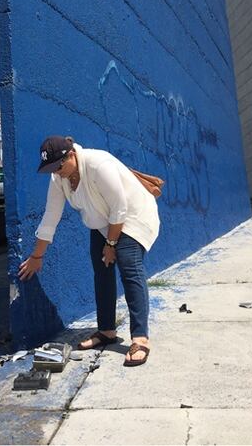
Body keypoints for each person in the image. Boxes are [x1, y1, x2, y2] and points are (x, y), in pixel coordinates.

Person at [17, 136, 159, 367]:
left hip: (132, 217)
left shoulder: (98, 164)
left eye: (58, 166)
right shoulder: (58, 177)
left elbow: (120, 208)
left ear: (71, 154)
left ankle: (140, 339)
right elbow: (51, 216)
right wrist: (37, 256)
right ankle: (107, 331)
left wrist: (111, 245)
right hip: (102, 221)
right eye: (51, 169)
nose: (56, 172)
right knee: (102, 271)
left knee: (130, 269)